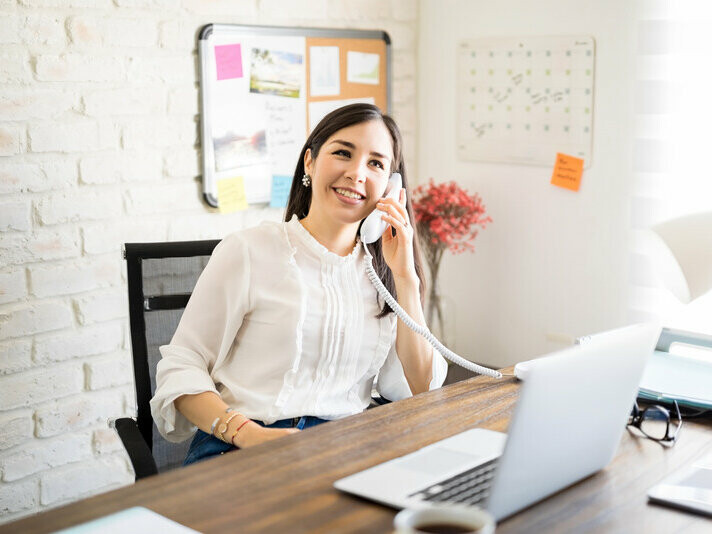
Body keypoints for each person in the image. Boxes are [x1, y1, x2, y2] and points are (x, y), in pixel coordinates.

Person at [150, 103, 448, 465]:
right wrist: (248, 434)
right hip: (243, 446)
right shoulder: (249, 251)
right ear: (310, 161)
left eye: (376, 164)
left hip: (346, 449)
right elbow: (182, 363)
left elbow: (420, 386)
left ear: (390, 186)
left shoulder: (384, 274)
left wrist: (406, 279)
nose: (356, 173)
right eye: (342, 153)